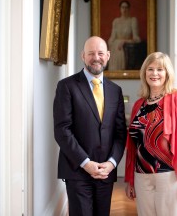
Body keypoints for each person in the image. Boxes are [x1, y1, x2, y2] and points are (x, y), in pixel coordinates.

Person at [53, 36, 127, 216]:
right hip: (77, 170)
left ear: (108, 55)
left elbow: (120, 133)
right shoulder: (67, 86)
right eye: (91, 53)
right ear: (83, 56)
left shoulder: (115, 90)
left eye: (100, 53)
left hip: (105, 172)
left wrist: (111, 163)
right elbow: (62, 130)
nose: (96, 57)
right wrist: (86, 163)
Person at [124, 52, 177, 216]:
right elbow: (133, 146)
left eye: (160, 69)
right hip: (142, 177)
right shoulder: (139, 104)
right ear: (144, 72)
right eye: (150, 69)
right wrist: (130, 179)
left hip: (171, 177)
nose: (154, 74)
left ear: (167, 73)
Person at [108, 0, 141, 70]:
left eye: (126, 7)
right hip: (115, 47)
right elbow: (112, 37)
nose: (124, 9)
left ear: (129, 9)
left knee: (120, 49)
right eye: (123, 7)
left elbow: (137, 39)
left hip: (124, 46)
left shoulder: (132, 20)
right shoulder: (116, 21)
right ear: (120, 9)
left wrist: (124, 41)